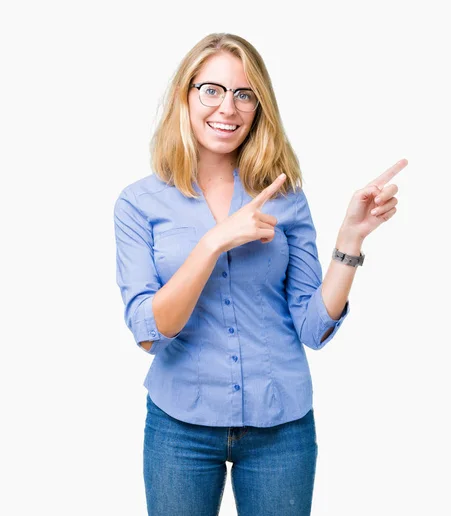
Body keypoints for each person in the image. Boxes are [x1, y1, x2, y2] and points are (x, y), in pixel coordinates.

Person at [113, 32, 406, 516]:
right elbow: (149, 333)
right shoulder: (139, 203)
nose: (227, 108)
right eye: (212, 89)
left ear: (258, 107)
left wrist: (350, 240)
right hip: (178, 425)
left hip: (282, 426)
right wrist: (214, 242)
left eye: (243, 94)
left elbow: (314, 327)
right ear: (185, 96)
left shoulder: (284, 196)